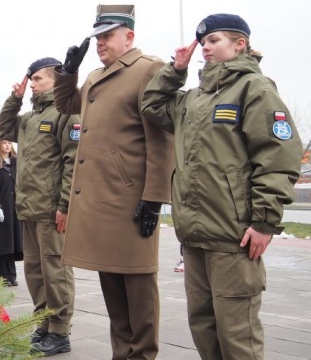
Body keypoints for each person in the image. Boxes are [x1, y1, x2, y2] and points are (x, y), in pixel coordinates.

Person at [141, 14, 302, 360]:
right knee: (204, 329)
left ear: (239, 44)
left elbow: (278, 158)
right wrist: (175, 69)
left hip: (235, 235)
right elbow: (151, 105)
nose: (206, 48)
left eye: (214, 40)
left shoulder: (254, 89)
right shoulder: (193, 98)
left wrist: (264, 223)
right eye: (204, 42)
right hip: (195, 235)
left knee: (238, 336)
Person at [53, 5, 174, 359]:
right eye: (97, 37)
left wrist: (154, 197)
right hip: (100, 201)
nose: (100, 43)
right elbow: (66, 105)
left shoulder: (147, 69)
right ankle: (122, 354)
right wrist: (69, 70)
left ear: (129, 36)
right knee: (113, 288)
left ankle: (144, 355)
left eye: (107, 36)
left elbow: (161, 139)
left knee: (138, 286)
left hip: (130, 199)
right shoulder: (94, 76)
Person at [0, 56, 80, 356]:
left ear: (56, 80)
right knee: (34, 270)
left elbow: (73, 161)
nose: (31, 84)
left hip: (52, 209)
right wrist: (14, 99)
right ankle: (43, 323)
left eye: (37, 79)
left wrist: (66, 204)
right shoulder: (29, 119)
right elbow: (3, 129)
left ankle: (60, 330)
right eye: (30, 80)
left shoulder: (66, 113)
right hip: (29, 208)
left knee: (56, 271)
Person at [0, 135, 22, 287]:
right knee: (2, 242)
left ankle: (11, 275)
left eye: (9, 142)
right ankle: (1, 276)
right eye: (4, 143)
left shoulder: (17, 162)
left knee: (13, 242)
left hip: (15, 207)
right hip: (1, 207)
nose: (7, 145)